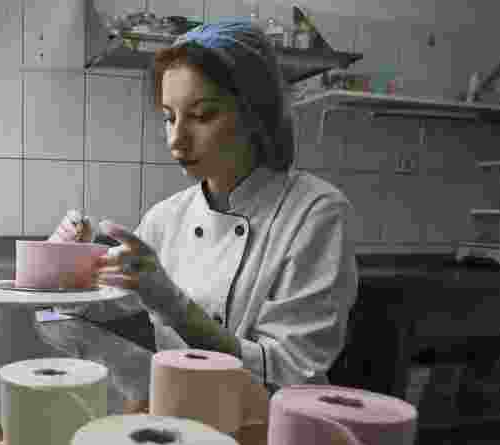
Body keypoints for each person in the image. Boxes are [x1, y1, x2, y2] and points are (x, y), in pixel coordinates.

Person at [50, 19, 359, 399]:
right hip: (181, 416)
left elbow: (289, 374)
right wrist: (70, 263)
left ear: (254, 113)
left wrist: (172, 304)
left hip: (272, 433)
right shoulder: (166, 219)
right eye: (169, 117)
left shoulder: (315, 214)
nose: (177, 138)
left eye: (201, 115)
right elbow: (82, 313)